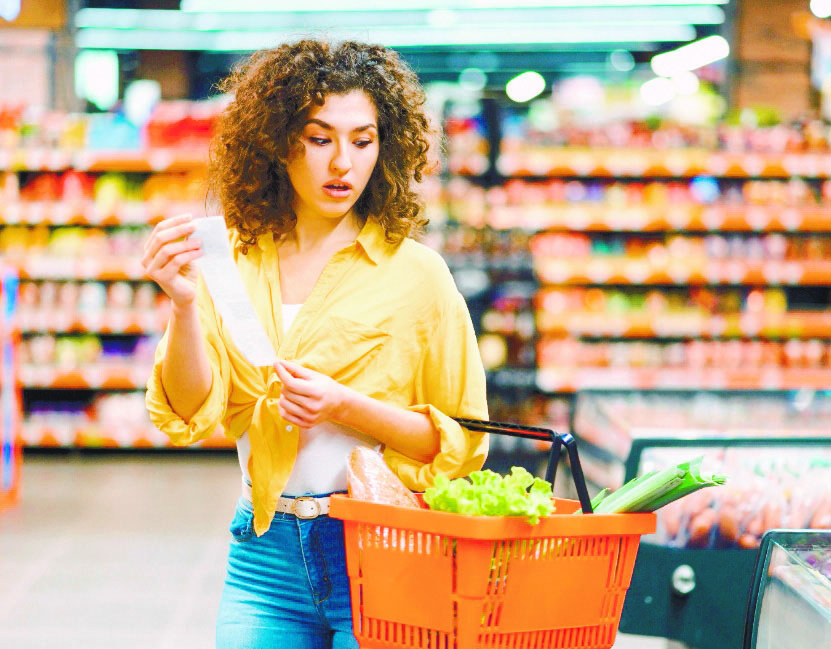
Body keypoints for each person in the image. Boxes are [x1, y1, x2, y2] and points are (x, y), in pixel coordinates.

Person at [142, 38, 489, 649]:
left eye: (363, 140)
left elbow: (460, 442)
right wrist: (184, 304)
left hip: (383, 546)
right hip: (263, 554)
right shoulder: (235, 261)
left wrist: (344, 407)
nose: (342, 165)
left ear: (387, 146)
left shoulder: (418, 275)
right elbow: (192, 410)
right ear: (279, 141)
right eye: (319, 137)